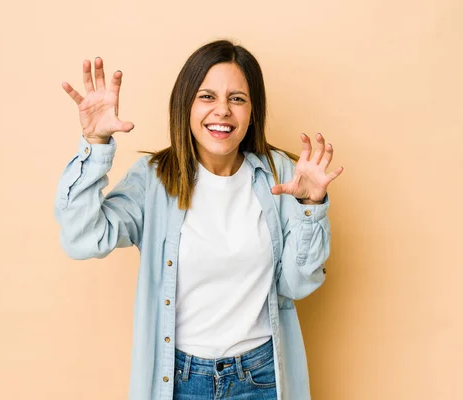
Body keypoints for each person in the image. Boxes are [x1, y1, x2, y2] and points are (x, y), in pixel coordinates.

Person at [55, 40, 343, 400]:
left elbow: (297, 285)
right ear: (185, 105)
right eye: (207, 96)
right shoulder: (154, 178)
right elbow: (81, 239)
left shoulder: (279, 175)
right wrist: (94, 144)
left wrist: (310, 207)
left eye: (237, 99)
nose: (222, 111)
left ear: (253, 111)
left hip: (262, 378)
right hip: (178, 380)